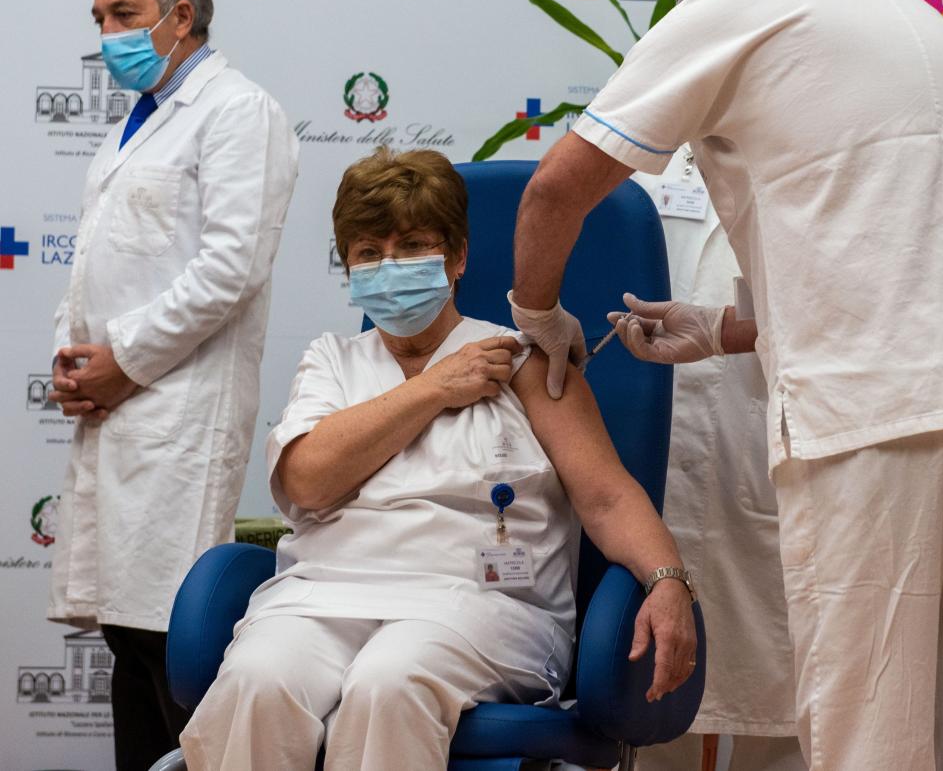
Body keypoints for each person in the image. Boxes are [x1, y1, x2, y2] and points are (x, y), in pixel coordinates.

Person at [507, 0, 943, 770]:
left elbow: (555, 191)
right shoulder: (917, 18)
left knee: (868, 714)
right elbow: (889, 241)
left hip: (877, 408)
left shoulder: (736, 3)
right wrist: (724, 327)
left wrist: (538, 314)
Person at [180, 148, 697, 770]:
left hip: (480, 606)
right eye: (369, 253)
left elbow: (607, 496)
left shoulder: (525, 360)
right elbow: (308, 482)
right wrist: (433, 388)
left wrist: (669, 582)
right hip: (322, 595)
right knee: (258, 681)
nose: (389, 266)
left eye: (412, 246)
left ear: (456, 258)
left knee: (389, 682)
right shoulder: (332, 360)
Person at [46, 0, 299, 770]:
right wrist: (72, 360)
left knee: (172, 641)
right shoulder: (135, 124)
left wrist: (123, 360)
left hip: (178, 413)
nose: (110, 33)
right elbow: (95, 266)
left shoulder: (238, 111)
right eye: (100, 19)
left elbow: (230, 266)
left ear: (180, 16)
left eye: (124, 14)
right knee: (127, 635)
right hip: (118, 410)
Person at [627, 149, 804, 771]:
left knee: (787, 708)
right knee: (650, 714)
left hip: (767, 463)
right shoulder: (640, 181)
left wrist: (727, 331)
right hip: (654, 469)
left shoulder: (812, 167)